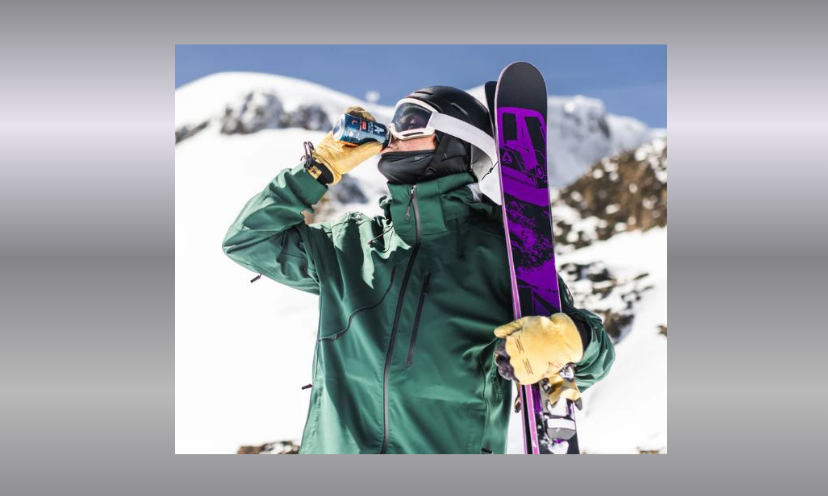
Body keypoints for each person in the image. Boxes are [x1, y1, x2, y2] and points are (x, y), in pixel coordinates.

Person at [222, 86, 615, 454]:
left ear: (457, 143)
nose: (392, 134)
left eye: (411, 122)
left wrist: (572, 340)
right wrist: (318, 169)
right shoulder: (351, 245)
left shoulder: (502, 253)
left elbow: (589, 359)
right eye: (393, 122)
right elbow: (248, 241)